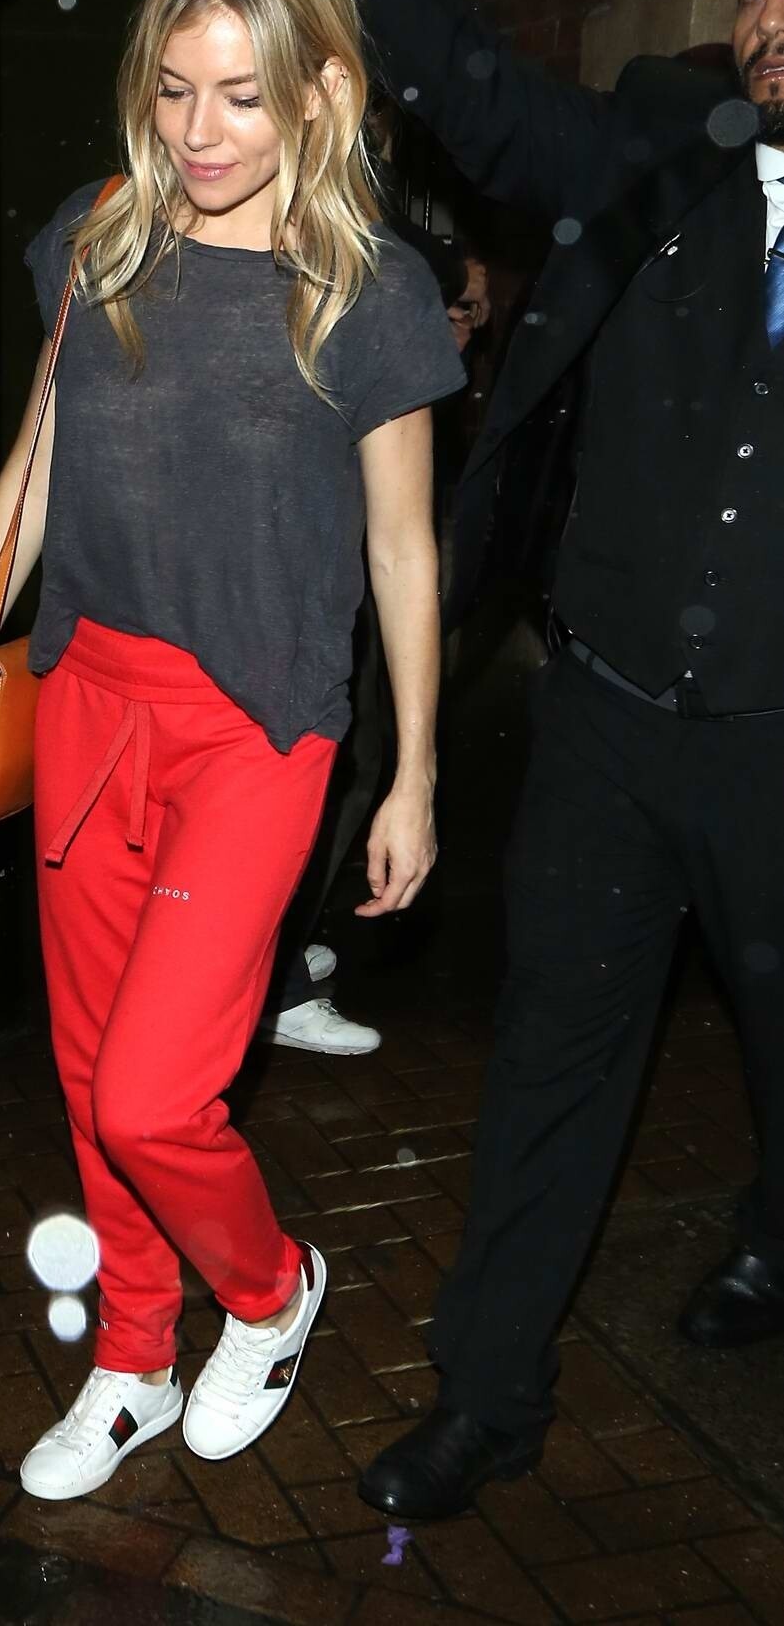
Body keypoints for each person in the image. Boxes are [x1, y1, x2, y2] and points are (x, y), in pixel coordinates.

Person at [257, 0, 784, 1520]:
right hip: (609, 730)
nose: (767, 22)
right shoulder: (665, 140)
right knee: (553, 1071)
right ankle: (486, 1397)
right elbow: (484, 103)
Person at [0, 0, 463, 1500]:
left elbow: (403, 549)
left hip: (258, 726)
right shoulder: (100, 239)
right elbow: (35, 466)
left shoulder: (370, 289)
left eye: (239, 94)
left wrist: (414, 773)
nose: (198, 131)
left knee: (157, 1092)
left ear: (320, 89)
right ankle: (132, 1357)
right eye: (172, 89)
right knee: (91, 1075)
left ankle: (271, 1290)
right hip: (89, 696)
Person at [260, 218, 472, 1058]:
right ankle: (269, 980)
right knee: (321, 770)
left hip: (335, 586)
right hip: (282, 603)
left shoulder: (366, 273)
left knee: (354, 761)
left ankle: (275, 957)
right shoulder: (344, 267)